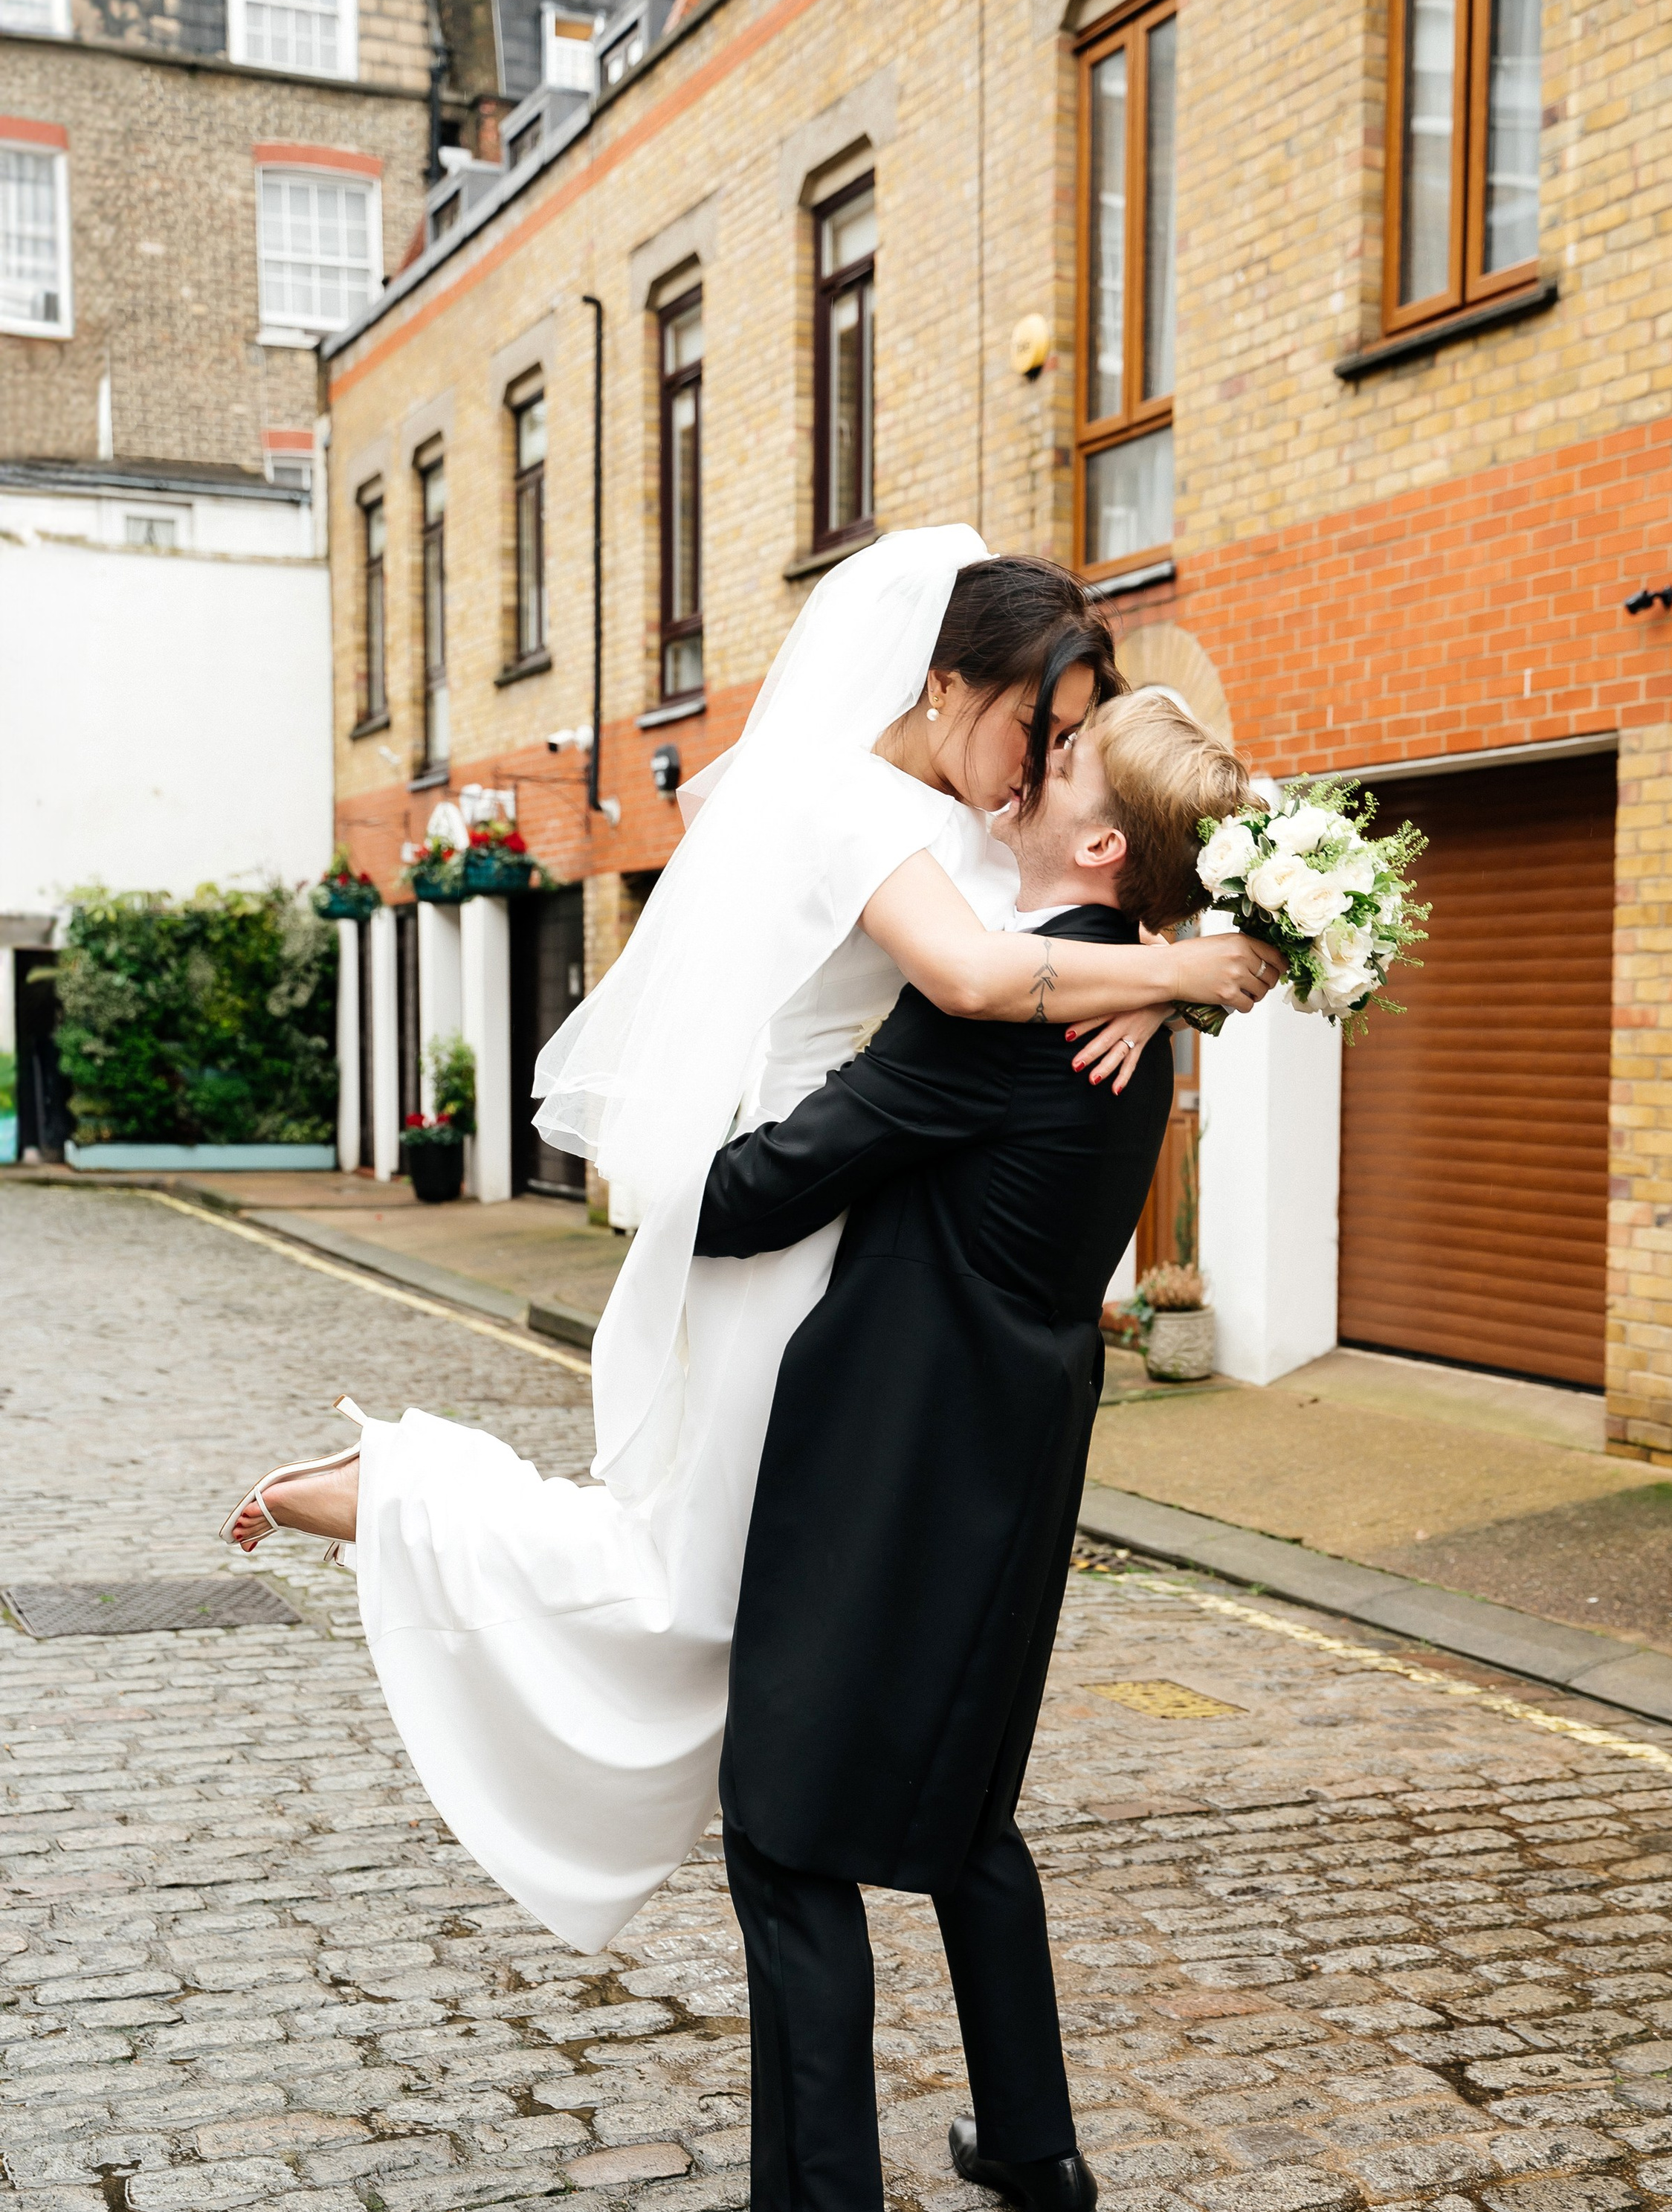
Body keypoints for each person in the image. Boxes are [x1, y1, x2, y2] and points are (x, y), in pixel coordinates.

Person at [222, 531, 1272, 1955]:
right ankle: (401, 1495)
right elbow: (978, 979)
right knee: (696, 1586)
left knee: (742, 1599)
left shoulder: (970, 816)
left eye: (1069, 737)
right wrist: (1179, 969)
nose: (1043, 763)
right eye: (1043, 725)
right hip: (789, 1217)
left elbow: (1083, 898)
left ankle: (798, 1832)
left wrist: (1161, 977)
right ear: (948, 684)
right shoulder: (849, 802)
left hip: (869, 1234)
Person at [614, 688, 1259, 2212]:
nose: (1028, 763)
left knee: (787, 1840)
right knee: (967, 1809)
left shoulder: (1009, 1007)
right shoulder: (1128, 1000)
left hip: (897, 1461)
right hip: (1015, 1460)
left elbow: (766, 1188)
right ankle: (1033, 2149)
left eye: (1062, 758)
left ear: (1097, 842)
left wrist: (657, 1149)